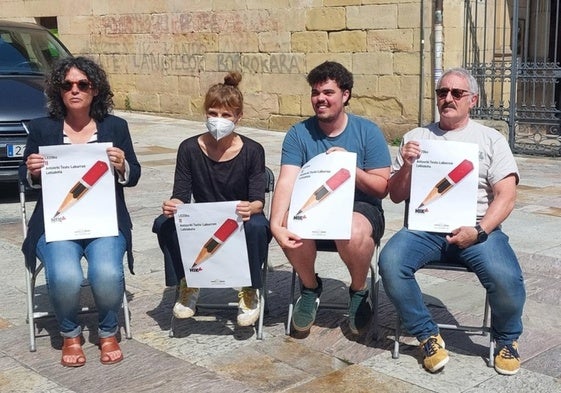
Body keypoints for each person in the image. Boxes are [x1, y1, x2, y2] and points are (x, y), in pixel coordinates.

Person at [379, 67, 525, 375]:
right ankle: (427, 335)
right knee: (391, 262)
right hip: (425, 230)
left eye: (456, 93)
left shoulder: (491, 140)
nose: (448, 98)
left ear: (472, 99)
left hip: (477, 228)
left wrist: (480, 231)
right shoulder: (416, 138)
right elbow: (394, 195)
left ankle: (507, 339)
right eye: (442, 92)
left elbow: (506, 196)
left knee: (506, 277)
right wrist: (405, 166)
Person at [20, 56, 141, 367]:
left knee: (106, 272)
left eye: (82, 84)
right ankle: (70, 333)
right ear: (58, 91)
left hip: (104, 222)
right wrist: (32, 170)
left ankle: (108, 330)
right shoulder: (41, 129)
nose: (74, 90)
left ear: (95, 90)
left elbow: (135, 174)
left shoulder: (115, 127)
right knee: (65, 275)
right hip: (57, 223)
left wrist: (122, 165)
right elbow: (25, 177)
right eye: (67, 85)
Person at [270, 61, 391, 335]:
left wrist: (350, 169)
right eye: (315, 93)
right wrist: (276, 223)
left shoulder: (367, 131)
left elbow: (382, 187)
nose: (320, 99)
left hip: (360, 208)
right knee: (289, 222)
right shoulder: (298, 134)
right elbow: (287, 179)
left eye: (328, 92)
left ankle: (359, 290)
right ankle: (311, 287)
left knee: (352, 227)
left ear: (345, 95)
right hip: (316, 207)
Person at [153, 71, 271, 328]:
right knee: (163, 223)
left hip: (240, 218)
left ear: (238, 117)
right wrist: (173, 205)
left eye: (226, 115)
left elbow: (257, 200)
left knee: (259, 226)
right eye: (213, 113)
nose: (219, 120)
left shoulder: (253, 151)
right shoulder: (189, 148)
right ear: (205, 113)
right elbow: (181, 194)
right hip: (204, 220)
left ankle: (250, 289)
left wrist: (251, 207)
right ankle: (188, 282)